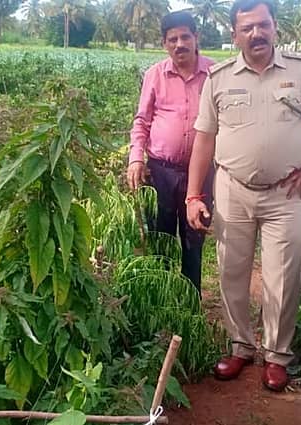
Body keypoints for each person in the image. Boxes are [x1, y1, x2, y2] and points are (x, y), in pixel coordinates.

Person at [185, 0, 301, 390]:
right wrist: (194, 195)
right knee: (231, 272)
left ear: (275, 27)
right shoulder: (219, 78)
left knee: (282, 276)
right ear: (234, 34)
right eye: (247, 28)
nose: (256, 34)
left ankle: (277, 356)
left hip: (286, 193)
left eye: (263, 25)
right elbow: (204, 139)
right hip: (232, 190)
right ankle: (240, 346)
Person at [127, 11, 215, 291]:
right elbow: (142, 120)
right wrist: (135, 158)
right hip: (161, 171)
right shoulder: (155, 75)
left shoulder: (215, 74)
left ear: (196, 38)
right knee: (161, 239)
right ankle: (162, 303)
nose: (180, 44)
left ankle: (190, 306)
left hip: (200, 174)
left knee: (194, 238)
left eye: (185, 37)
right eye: (172, 39)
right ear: (165, 43)